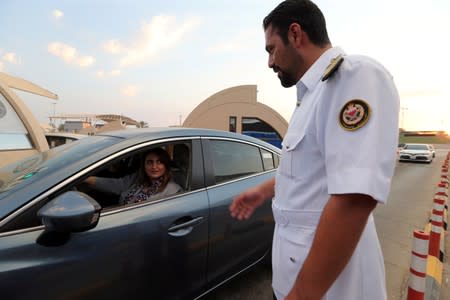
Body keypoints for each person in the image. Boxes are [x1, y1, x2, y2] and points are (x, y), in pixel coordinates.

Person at [229, 1, 399, 299]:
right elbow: (308, 173)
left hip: (329, 290)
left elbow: (355, 197)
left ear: (296, 34)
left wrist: (302, 294)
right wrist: (265, 190)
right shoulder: (311, 97)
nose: (270, 62)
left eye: (271, 49)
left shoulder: (352, 77)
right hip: (293, 280)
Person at [85, 147, 182, 205]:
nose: (154, 167)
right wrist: (87, 179)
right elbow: (116, 185)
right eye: (149, 162)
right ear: (144, 165)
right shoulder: (138, 179)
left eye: (159, 162)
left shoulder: (173, 191)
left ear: (166, 165)